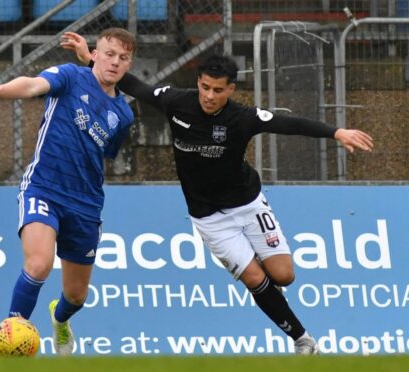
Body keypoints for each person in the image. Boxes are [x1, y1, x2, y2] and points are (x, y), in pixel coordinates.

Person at [61, 31, 374, 355]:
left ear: (231, 90)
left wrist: (336, 131)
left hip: (248, 203)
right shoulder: (176, 103)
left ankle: (271, 290)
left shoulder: (242, 118)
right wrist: (89, 57)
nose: (209, 96)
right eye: (205, 87)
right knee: (255, 278)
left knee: (284, 275)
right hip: (209, 217)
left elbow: (286, 123)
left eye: (218, 90)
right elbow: (136, 87)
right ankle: (303, 340)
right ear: (198, 82)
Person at [0, 28, 136, 356]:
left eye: (123, 58)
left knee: (76, 295)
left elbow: (103, 155)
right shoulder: (71, 77)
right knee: (39, 264)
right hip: (44, 188)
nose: (115, 62)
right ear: (95, 54)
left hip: (86, 204)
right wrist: (0, 90)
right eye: (109, 54)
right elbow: (33, 84)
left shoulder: (125, 115)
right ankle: (12, 337)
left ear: (130, 63)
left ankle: (59, 321)